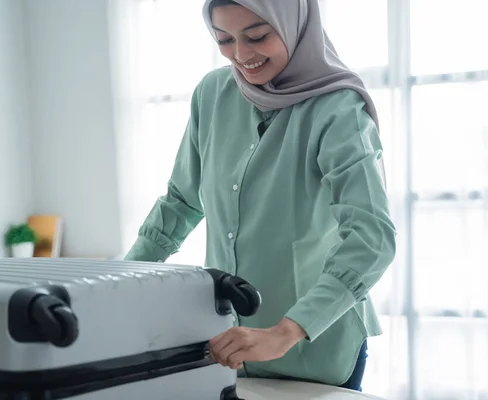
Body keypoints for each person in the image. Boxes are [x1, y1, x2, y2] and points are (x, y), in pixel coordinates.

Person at [123, 0, 396, 392]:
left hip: (315, 349)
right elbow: (181, 201)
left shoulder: (338, 109)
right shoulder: (212, 94)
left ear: (293, 25)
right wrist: (117, 283)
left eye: (257, 36)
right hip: (225, 343)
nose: (241, 54)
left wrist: (282, 333)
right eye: (224, 40)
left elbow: (372, 239)